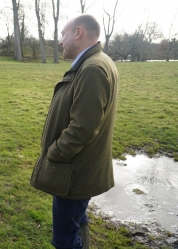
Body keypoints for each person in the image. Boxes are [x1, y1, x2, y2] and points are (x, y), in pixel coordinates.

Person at [30, 14, 119, 248]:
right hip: (79, 171)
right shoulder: (94, 62)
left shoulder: (92, 68)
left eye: (63, 35)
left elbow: (82, 128)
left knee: (65, 239)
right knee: (78, 222)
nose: (60, 41)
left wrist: (54, 152)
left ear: (78, 32)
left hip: (74, 174)